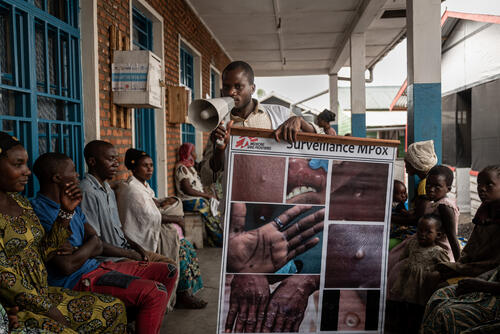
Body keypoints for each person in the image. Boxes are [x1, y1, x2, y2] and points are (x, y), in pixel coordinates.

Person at [30, 152, 179, 333]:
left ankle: (136, 323)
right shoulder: (39, 211)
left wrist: (80, 249)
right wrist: (89, 246)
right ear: (57, 177)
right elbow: (66, 266)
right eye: (73, 171)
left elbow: (97, 242)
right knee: (155, 292)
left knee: (168, 271)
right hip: (78, 279)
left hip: (96, 267)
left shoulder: (71, 204)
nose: (77, 175)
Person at [0, 132, 126, 333]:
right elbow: (5, 279)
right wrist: (48, 309)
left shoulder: (20, 203)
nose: (27, 172)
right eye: (18, 165)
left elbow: (46, 251)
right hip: (15, 306)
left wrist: (66, 213)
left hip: (43, 292)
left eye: (26, 164)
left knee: (114, 309)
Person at [199, 60, 324, 188]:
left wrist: (301, 122)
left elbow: (323, 141)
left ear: (252, 88)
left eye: (238, 86)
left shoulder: (280, 114)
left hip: (274, 196)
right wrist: (219, 150)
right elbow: (207, 178)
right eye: (226, 87)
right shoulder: (220, 125)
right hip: (237, 202)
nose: (231, 92)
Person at [116, 148, 206, 309]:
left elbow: (153, 204)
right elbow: (150, 217)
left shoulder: (142, 185)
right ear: (134, 167)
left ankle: (186, 291)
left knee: (187, 246)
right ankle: (182, 294)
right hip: (140, 239)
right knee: (182, 249)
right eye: (145, 166)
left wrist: (165, 203)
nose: (150, 169)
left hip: (152, 230)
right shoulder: (133, 190)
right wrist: (177, 218)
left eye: (151, 165)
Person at [436, 165, 500, 281]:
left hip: (490, 275)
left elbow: (494, 263)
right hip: (475, 268)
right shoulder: (484, 213)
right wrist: (460, 265)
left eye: (489, 184)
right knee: (434, 275)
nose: (481, 189)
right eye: (479, 184)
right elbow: (471, 250)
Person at [390, 215, 450, 332]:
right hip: (407, 284)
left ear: (438, 235)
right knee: (404, 306)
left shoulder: (438, 251)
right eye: (420, 230)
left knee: (418, 311)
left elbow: (445, 267)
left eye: (428, 232)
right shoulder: (412, 244)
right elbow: (403, 257)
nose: (423, 234)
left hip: (422, 287)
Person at [421, 264, 500, 334]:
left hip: (494, 298)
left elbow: (479, 265)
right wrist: (478, 279)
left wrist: (481, 285)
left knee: (445, 312)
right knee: (440, 294)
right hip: (485, 285)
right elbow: (495, 270)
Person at [175, 143, 223, 247]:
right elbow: (187, 189)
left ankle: (213, 239)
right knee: (209, 211)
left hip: (196, 199)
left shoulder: (190, 167)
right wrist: (206, 196)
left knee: (214, 209)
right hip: (188, 200)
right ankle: (219, 240)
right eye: (193, 152)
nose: (195, 154)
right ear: (187, 153)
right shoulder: (181, 168)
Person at [425, 165, 460, 261]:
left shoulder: (444, 206)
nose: (431, 189)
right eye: (428, 185)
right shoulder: (434, 203)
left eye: (437, 186)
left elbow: (452, 238)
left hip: (441, 253)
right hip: (431, 247)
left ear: (448, 189)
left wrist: (459, 265)